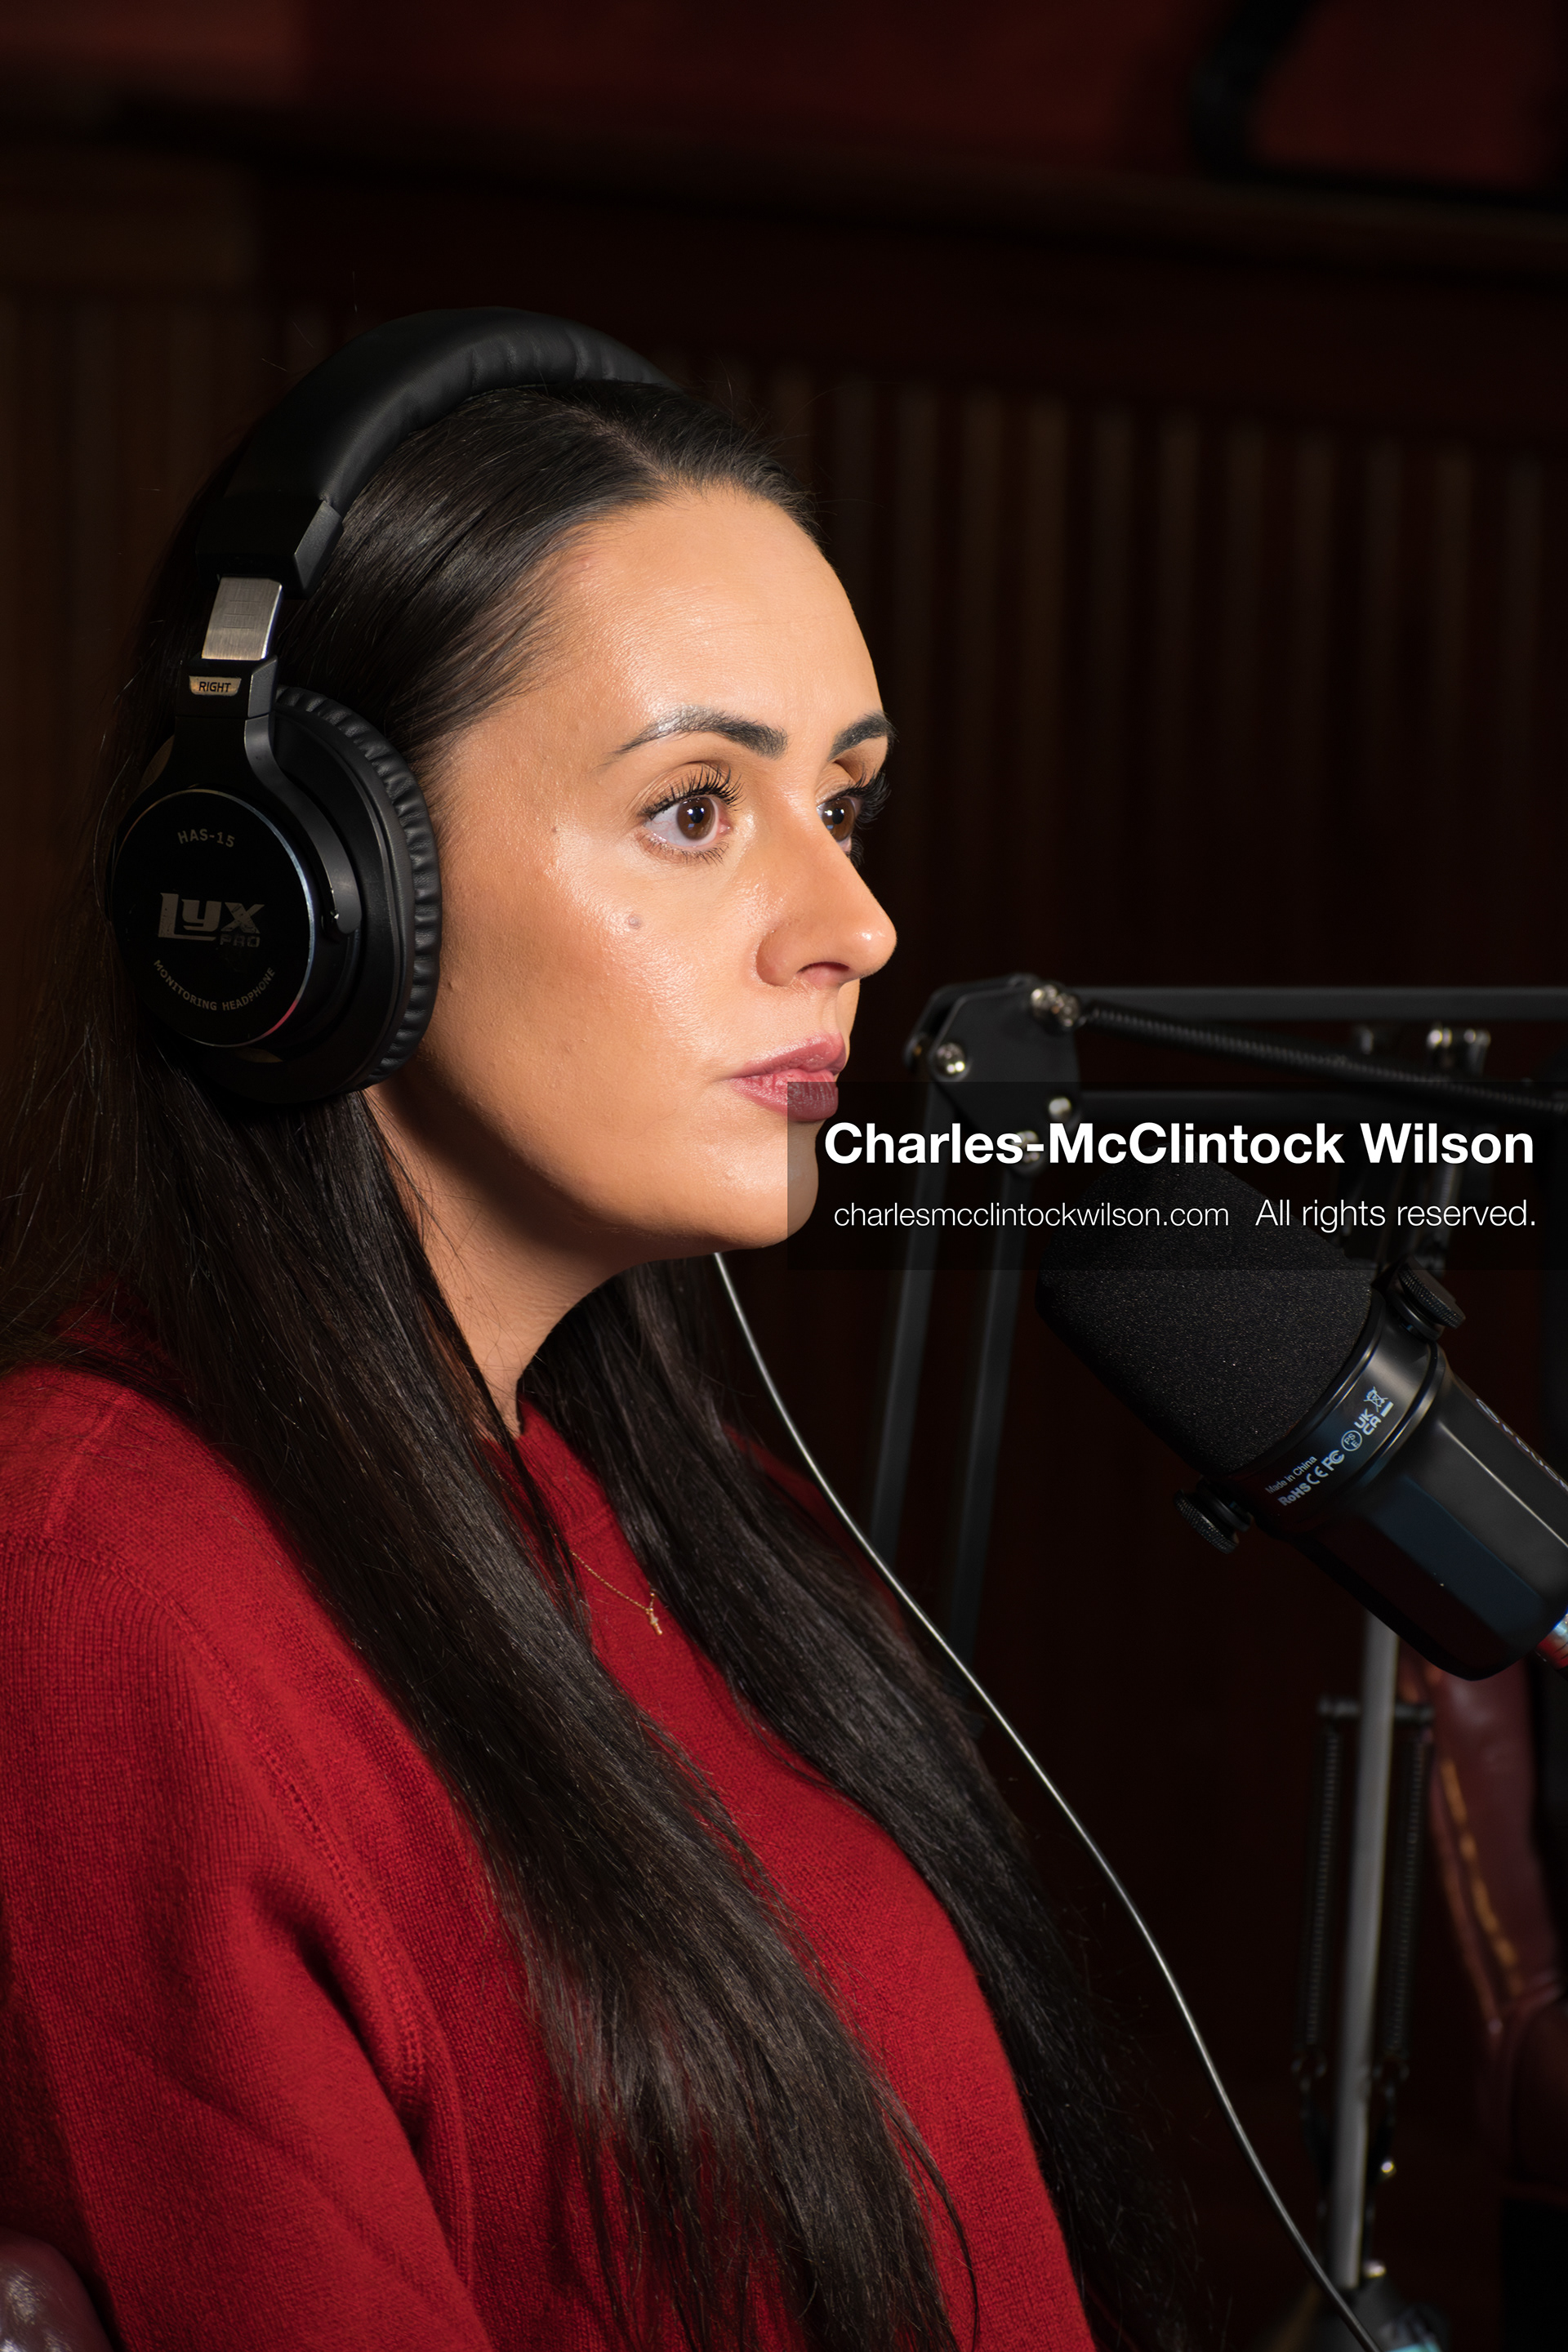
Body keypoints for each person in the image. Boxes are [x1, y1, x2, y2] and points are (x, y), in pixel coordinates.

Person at [0, 341, 1183, 2351]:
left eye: (847, 803)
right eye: (697, 808)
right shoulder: (98, 1597)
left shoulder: (707, 1533)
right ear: (307, 891)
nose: (856, 924)